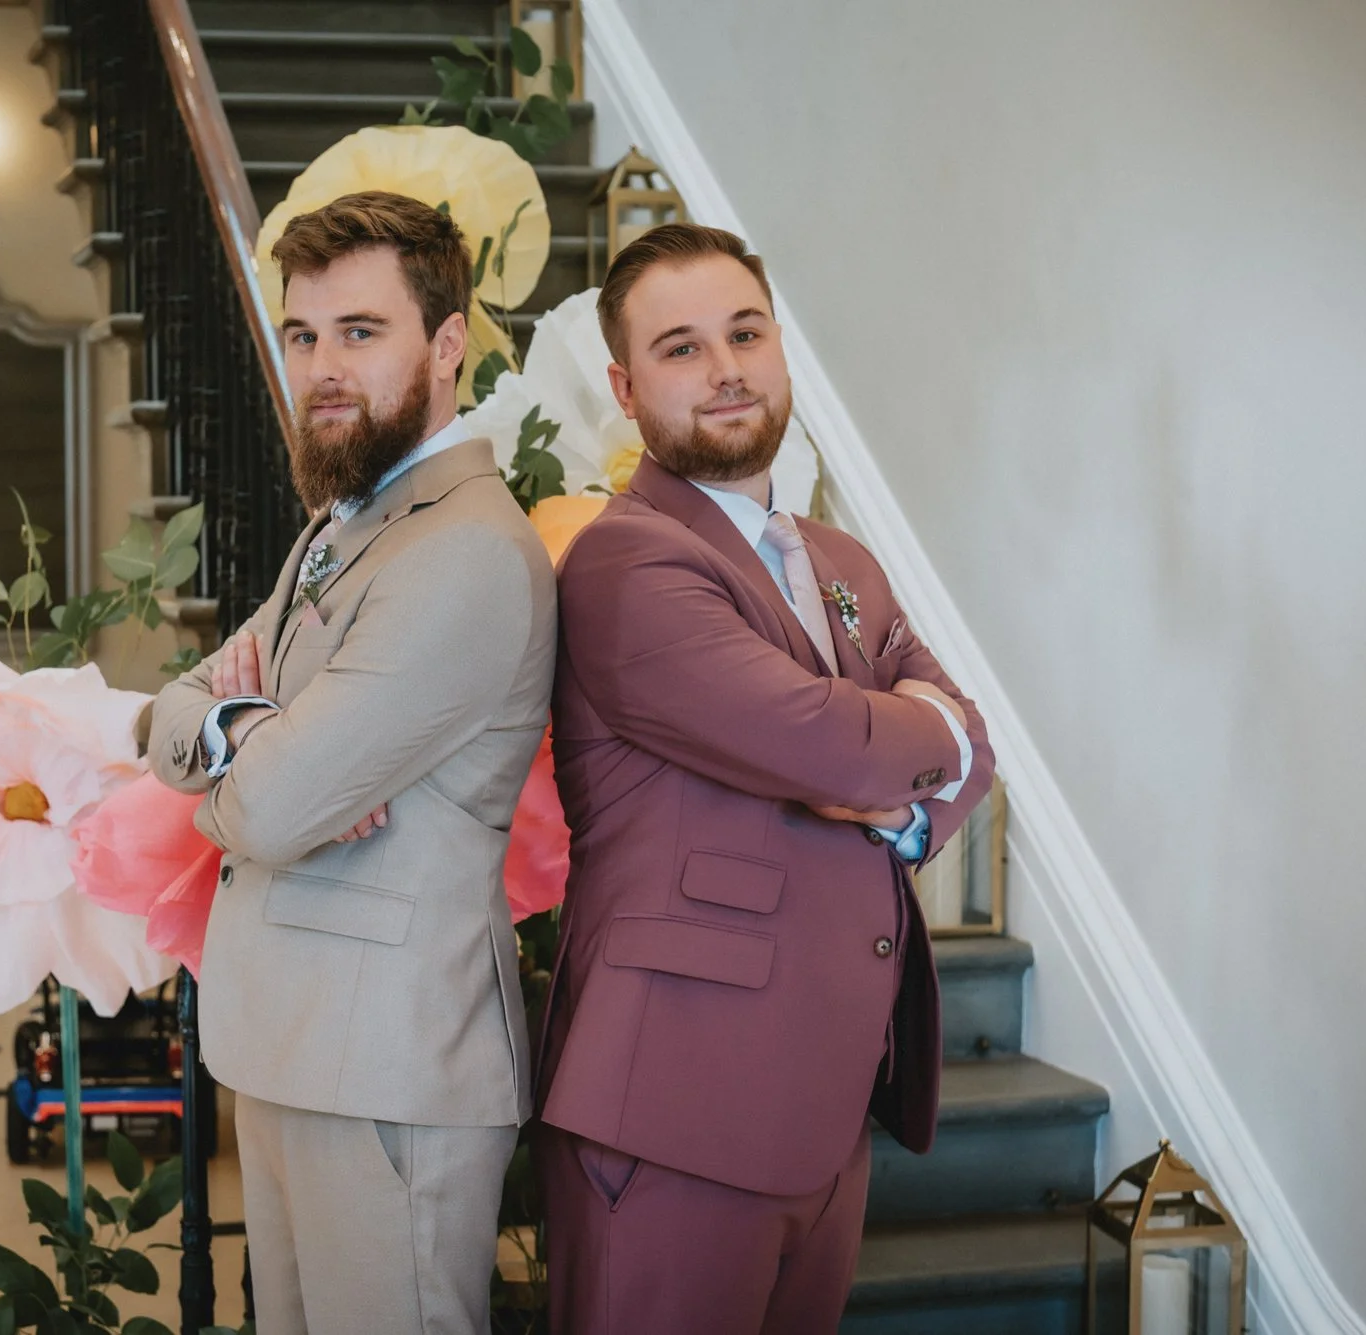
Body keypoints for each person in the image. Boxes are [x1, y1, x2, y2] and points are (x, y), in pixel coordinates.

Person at [535, 222, 997, 1334]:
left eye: (744, 333)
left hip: (824, 1107)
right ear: (625, 385)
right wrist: (901, 741)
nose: (726, 367)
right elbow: (827, 743)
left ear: (779, 349)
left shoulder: (840, 563)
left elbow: (969, 740)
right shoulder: (623, 557)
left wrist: (909, 777)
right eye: (681, 347)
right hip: (673, 1111)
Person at [145, 190, 557, 1335]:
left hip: (389, 1075)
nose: (322, 366)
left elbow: (270, 815)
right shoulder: (343, 524)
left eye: (360, 333)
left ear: (447, 344)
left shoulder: (463, 549)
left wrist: (256, 756)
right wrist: (253, 731)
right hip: (291, 1048)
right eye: (301, 334)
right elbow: (172, 720)